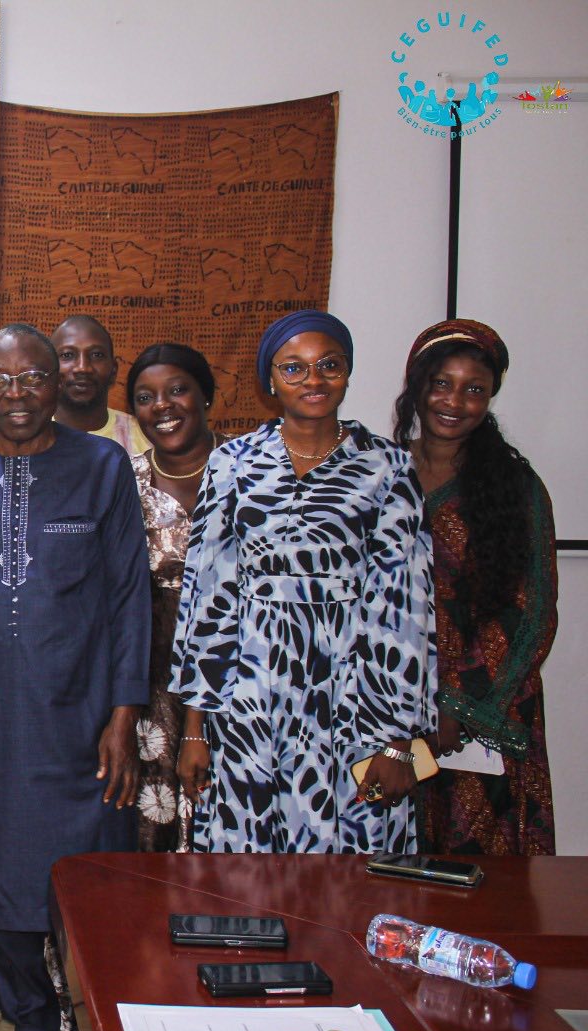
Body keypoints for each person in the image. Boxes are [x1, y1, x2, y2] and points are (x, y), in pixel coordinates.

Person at [0, 325, 147, 1031]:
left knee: (91, 871)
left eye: (33, 378)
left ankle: (104, 1014)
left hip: (82, 712)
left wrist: (123, 718)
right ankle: (31, 1025)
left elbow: (128, 599)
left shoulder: (103, 466)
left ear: (60, 383)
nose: (17, 395)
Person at [172, 310, 437, 854]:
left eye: (329, 366)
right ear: (270, 381)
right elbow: (207, 598)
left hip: (357, 691)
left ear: (348, 373)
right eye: (293, 368)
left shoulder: (386, 467)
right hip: (248, 692)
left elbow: (405, 606)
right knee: (247, 858)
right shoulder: (232, 463)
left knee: (355, 858)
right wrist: (195, 729)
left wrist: (398, 741)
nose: (313, 381)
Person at [393, 319, 558, 855]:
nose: (454, 401)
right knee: (389, 870)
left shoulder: (515, 486)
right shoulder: (380, 472)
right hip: (390, 706)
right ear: (417, 385)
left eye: (474, 389)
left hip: (486, 712)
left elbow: (531, 612)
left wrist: (458, 707)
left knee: (480, 878)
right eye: (442, 383)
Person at [125, 343, 232, 852]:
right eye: (146, 397)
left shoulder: (250, 472)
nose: (162, 406)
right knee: (156, 824)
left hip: (242, 679)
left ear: (206, 395)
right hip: (153, 685)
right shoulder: (123, 480)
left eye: (177, 390)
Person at [51, 316, 148, 455]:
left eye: (96, 354)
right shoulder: (29, 435)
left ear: (114, 370)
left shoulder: (146, 437)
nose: (82, 368)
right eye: (67, 355)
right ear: (48, 368)